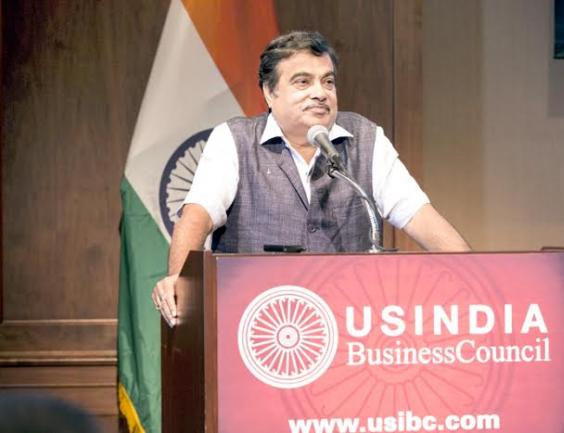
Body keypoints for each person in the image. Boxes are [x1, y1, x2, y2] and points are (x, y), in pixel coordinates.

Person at [152, 31, 470, 326]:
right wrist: (178, 280)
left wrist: (476, 277)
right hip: (255, 325)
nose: (320, 93)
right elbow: (197, 216)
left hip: (351, 326)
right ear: (270, 93)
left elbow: (419, 216)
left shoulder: (366, 139)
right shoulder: (234, 140)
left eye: (328, 82)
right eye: (303, 82)